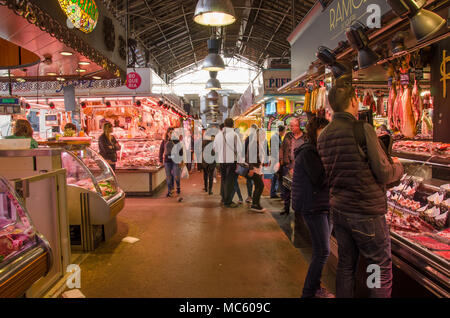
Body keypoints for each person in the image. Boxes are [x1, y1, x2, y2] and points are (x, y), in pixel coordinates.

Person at [317, 84, 404, 298]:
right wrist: (398, 168)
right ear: (354, 101)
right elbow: (383, 173)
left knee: (346, 265)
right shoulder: (361, 128)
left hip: (340, 211)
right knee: (377, 267)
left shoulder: (323, 136)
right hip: (366, 213)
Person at [292, 117, 334, 298]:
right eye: (322, 130)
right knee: (323, 251)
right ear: (314, 132)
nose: (325, 134)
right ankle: (309, 292)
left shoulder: (316, 150)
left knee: (320, 250)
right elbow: (319, 179)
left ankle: (316, 288)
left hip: (322, 204)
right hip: (313, 206)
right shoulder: (309, 152)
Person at [214, 118, 242, 208]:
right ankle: (228, 201)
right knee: (230, 181)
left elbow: (215, 149)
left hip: (222, 161)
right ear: (232, 125)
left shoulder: (218, 135)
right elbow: (239, 150)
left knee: (224, 180)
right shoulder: (234, 135)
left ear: (225, 124)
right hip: (231, 161)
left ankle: (223, 198)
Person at [279, 118, 305, 215]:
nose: (291, 128)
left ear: (299, 126)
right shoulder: (288, 136)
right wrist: (280, 160)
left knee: (298, 189)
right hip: (287, 166)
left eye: (292, 126)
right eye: (290, 126)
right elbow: (282, 149)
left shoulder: (305, 137)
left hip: (300, 167)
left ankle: (298, 209)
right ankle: (286, 208)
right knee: (286, 188)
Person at [246, 128, 266, 213]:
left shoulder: (258, 143)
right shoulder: (254, 143)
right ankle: (255, 204)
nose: (264, 136)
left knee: (258, 186)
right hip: (254, 169)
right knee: (260, 186)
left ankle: (256, 204)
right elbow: (249, 157)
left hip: (258, 168)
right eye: (262, 134)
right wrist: (250, 169)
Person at [159, 127, 182, 197]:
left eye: (173, 133)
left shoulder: (177, 141)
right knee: (168, 177)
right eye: (170, 133)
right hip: (167, 161)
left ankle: (178, 186)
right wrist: (160, 160)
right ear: (168, 133)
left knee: (176, 176)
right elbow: (161, 151)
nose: (171, 134)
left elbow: (181, 151)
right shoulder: (164, 141)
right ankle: (169, 190)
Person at [269, 125, 285, 199]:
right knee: (276, 176)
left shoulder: (277, 137)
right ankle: (274, 193)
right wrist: (277, 161)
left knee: (276, 176)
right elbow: (275, 150)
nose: (284, 133)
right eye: (284, 131)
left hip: (276, 159)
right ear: (281, 131)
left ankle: (275, 192)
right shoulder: (275, 137)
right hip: (275, 160)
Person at [244, 124, 258, 203]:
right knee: (257, 181)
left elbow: (244, 151)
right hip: (258, 164)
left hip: (250, 163)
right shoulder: (261, 139)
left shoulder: (248, 138)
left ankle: (250, 196)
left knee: (249, 180)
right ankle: (255, 197)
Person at [201, 130, 215, 195]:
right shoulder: (213, 142)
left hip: (204, 160)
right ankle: (210, 190)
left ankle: (206, 187)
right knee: (211, 175)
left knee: (205, 174)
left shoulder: (203, 141)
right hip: (211, 160)